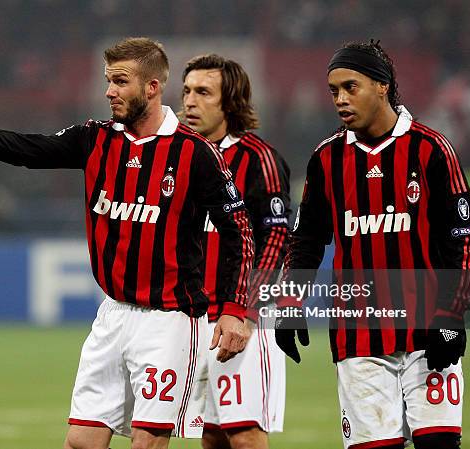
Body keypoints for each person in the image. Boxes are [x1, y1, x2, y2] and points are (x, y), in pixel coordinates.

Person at [0, 37, 254, 449]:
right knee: (80, 440)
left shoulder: (195, 153)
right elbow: (33, 150)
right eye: (107, 80)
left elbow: (238, 229)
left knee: (147, 442)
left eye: (120, 81)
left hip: (169, 321)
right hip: (111, 316)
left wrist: (235, 308)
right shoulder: (96, 138)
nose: (109, 91)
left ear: (151, 87)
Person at [277, 40, 470, 449]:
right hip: (359, 341)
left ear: (382, 85)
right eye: (334, 91)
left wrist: (451, 313)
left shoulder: (430, 149)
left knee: (439, 444)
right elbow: (305, 241)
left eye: (351, 87)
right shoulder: (327, 158)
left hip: (427, 333)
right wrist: (289, 303)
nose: (340, 99)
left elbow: (463, 240)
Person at [181, 54, 290, 449]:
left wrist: (245, 310)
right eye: (187, 91)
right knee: (211, 436)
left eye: (203, 92)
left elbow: (277, 240)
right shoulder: (179, 156)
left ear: (230, 102)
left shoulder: (259, 159)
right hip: (197, 319)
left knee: (244, 434)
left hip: (245, 317)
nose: (190, 101)